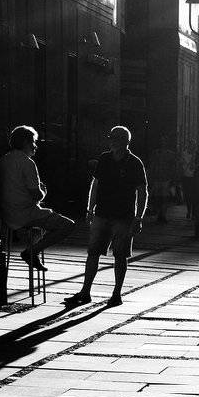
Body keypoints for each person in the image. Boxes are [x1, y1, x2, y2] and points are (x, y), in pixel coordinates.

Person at [64, 126, 147, 308]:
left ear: (125, 141)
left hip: (123, 217)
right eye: (111, 138)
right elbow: (96, 184)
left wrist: (138, 218)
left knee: (120, 256)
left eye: (115, 138)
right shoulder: (104, 158)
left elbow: (142, 192)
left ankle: (116, 294)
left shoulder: (135, 163)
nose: (111, 141)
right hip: (102, 214)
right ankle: (85, 291)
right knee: (93, 253)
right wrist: (90, 209)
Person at [0, 125, 76, 271]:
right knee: (68, 225)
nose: (35, 146)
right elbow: (36, 195)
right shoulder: (27, 163)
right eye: (33, 142)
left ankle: (33, 250)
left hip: (7, 213)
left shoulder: (5, 160)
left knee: (38, 228)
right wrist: (43, 191)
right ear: (25, 142)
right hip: (25, 213)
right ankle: (32, 251)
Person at [147, 136, 180, 224]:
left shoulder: (169, 154)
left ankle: (162, 214)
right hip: (158, 177)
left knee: (164, 198)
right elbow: (152, 165)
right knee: (158, 198)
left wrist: (173, 178)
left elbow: (173, 167)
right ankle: (160, 214)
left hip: (165, 178)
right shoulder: (156, 153)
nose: (163, 143)